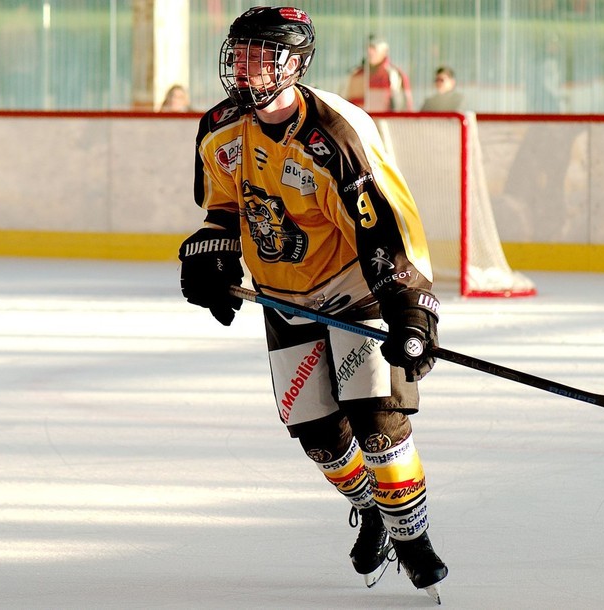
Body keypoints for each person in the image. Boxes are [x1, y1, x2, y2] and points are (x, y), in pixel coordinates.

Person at [178, 6, 447, 603]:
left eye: (262, 55)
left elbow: (384, 229)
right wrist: (212, 257)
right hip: (283, 292)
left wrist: (408, 308)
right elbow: (223, 207)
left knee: (377, 416)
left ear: (295, 63)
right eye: (240, 54)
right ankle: (372, 507)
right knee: (317, 432)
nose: (246, 67)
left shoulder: (337, 135)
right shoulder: (221, 126)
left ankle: (414, 539)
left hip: (356, 286)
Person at [344, 35, 414, 112]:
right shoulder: (356, 75)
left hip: (385, 122)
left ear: (385, 51)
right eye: (368, 47)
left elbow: (404, 108)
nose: (369, 51)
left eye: (373, 47)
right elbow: (345, 103)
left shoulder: (394, 75)